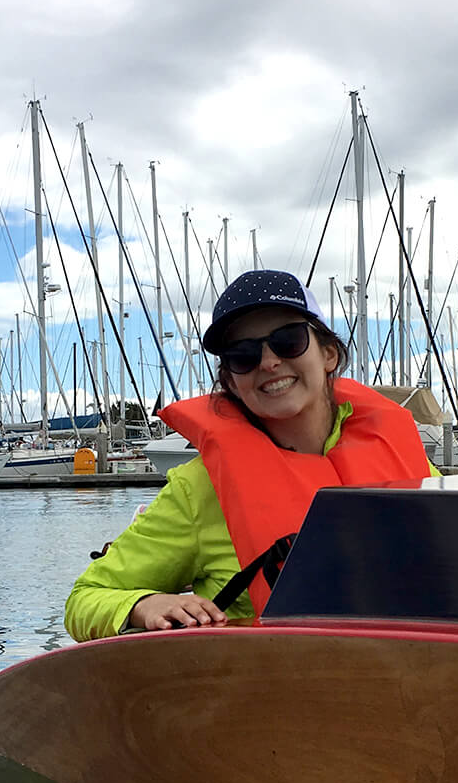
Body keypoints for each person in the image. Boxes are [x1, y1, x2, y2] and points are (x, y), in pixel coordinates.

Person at [65, 268, 434, 641]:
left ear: (329, 354)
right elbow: (84, 599)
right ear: (231, 382)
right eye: (243, 355)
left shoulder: (408, 459)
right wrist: (143, 605)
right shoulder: (199, 490)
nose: (269, 362)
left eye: (288, 341)